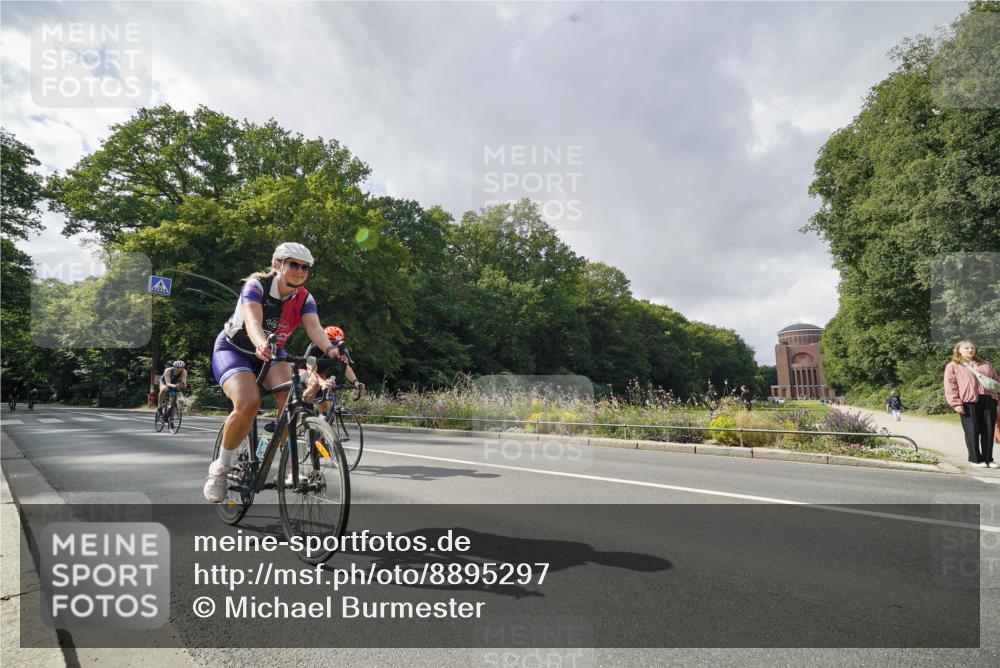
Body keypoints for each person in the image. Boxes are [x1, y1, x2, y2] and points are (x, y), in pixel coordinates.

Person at [204, 242, 349, 502]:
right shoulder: (256, 285)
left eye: (305, 267)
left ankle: (289, 466)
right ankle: (221, 468)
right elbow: (252, 320)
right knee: (248, 403)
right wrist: (260, 342)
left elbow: (314, 329)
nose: (300, 270)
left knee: (293, 400)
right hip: (235, 349)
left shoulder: (305, 297)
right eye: (294, 264)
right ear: (277, 264)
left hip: (273, 352)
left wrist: (331, 350)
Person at [943, 340, 1000, 468]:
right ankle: (975, 459)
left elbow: (996, 382)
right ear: (958, 350)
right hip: (969, 402)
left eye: (972, 348)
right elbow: (950, 386)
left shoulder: (986, 364)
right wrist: (955, 403)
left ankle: (988, 459)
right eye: (966, 348)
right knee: (972, 431)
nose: (970, 350)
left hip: (989, 400)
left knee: (988, 430)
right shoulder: (953, 366)